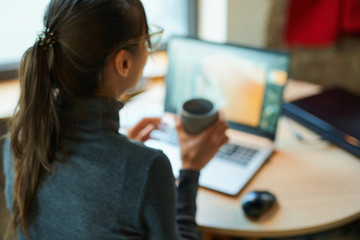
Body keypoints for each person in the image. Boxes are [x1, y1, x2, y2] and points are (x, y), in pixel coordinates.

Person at [2, 0, 229, 239]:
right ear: (123, 63)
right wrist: (191, 170)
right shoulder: (149, 169)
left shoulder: (19, 138)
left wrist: (121, 154)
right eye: (147, 40)